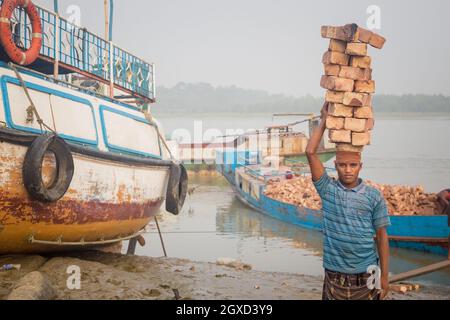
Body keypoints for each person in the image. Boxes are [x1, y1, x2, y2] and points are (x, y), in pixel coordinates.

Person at [305, 102, 390, 300]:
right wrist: (324, 120)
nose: (348, 170)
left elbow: (382, 237)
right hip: (335, 272)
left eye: (353, 165)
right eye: (342, 165)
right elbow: (310, 152)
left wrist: (385, 276)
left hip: (368, 271)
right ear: (335, 166)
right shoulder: (328, 189)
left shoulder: (373, 195)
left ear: (361, 166)